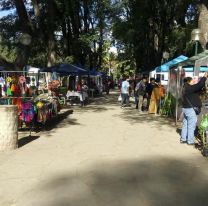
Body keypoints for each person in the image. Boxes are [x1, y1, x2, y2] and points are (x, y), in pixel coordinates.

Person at [181, 74, 208, 145]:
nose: (193, 81)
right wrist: (205, 76)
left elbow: (197, 90)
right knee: (191, 125)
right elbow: (200, 84)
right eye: (192, 80)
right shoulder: (189, 88)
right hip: (190, 109)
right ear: (189, 82)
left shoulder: (185, 88)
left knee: (185, 124)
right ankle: (190, 141)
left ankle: (183, 138)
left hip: (186, 109)